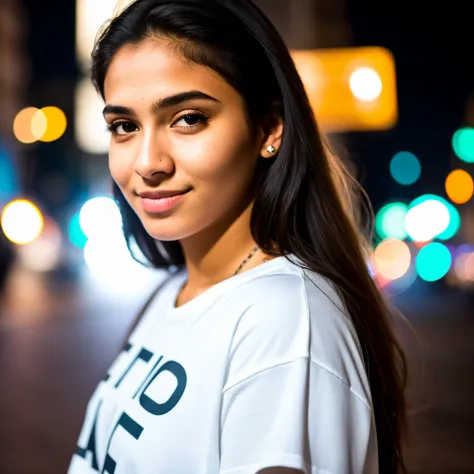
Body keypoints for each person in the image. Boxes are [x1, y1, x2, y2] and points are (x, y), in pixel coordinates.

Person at [67, 0, 408, 473]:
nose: (148, 162)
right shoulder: (174, 292)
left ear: (269, 128)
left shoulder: (286, 319)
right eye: (124, 127)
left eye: (188, 118)